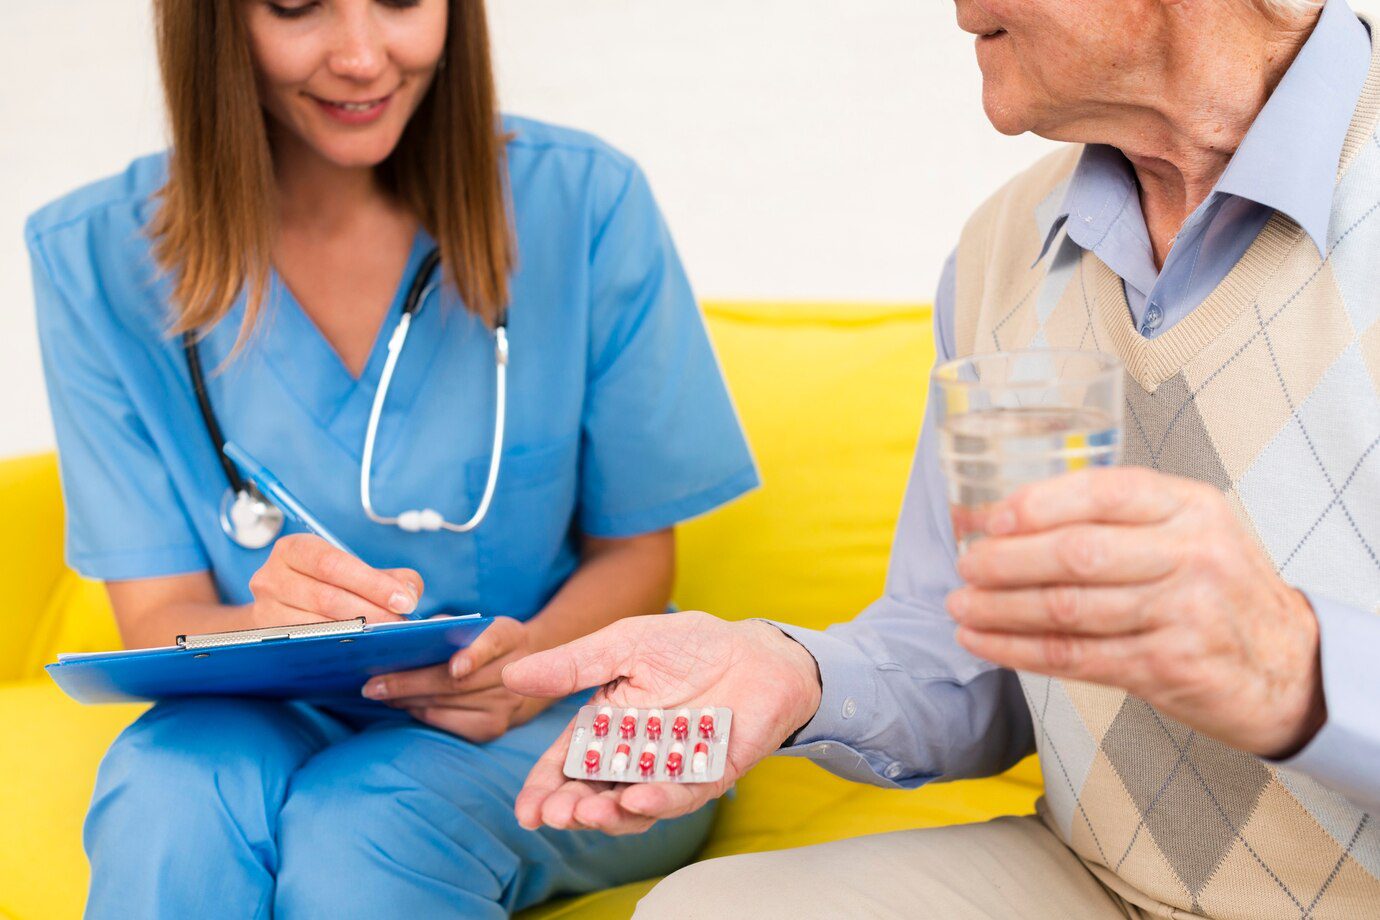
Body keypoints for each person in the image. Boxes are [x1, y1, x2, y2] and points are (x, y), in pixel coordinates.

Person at [503, 0, 1380, 917]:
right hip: (1095, 879)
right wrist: (790, 674)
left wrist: (1295, 669)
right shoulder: (1002, 248)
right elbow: (966, 653)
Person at [26, 0, 758, 916]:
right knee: (164, 788)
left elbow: (640, 557)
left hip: (563, 699)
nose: (364, 57)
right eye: (298, 6)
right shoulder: (90, 256)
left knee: (366, 822)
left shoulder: (582, 201)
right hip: (265, 713)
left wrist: (527, 667)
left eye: (405, 0)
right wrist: (267, 622)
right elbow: (157, 617)